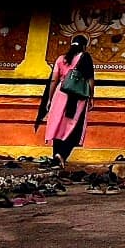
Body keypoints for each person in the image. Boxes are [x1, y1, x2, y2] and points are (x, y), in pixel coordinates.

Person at [40, 36, 95, 165]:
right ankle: (62, 154)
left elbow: (54, 80)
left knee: (58, 124)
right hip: (78, 96)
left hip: (60, 93)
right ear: (84, 46)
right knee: (74, 126)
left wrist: (49, 98)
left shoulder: (61, 59)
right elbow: (90, 80)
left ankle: (56, 156)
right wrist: (91, 96)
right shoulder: (85, 58)